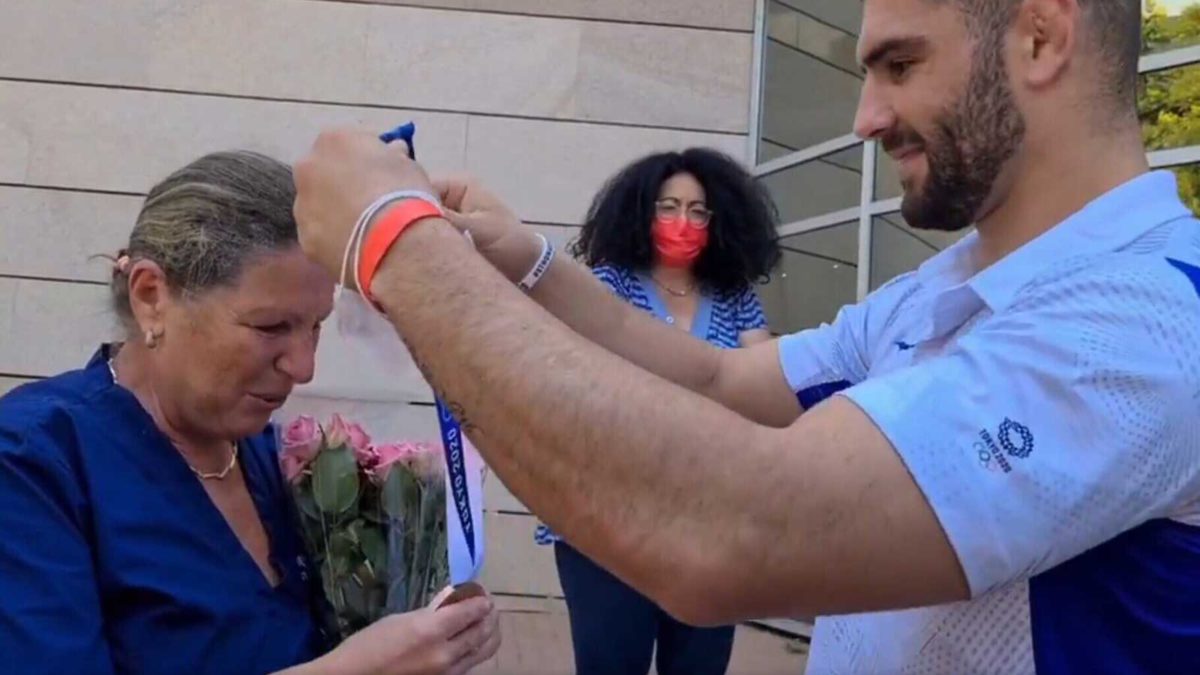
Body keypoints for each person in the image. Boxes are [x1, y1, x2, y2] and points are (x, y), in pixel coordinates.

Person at [290, 0, 1200, 671]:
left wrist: (395, 246)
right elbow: (726, 384)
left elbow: (729, 530)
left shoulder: (1145, 322)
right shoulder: (947, 285)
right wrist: (528, 264)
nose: (865, 118)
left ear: (1041, 37)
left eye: (900, 65)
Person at [0, 151, 500, 675]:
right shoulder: (36, 459)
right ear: (151, 296)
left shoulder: (273, 452)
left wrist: (430, 627)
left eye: (315, 326)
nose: (303, 366)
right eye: (270, 328)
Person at [537, 148, 779, 675]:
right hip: (607, 525)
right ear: (643, 213)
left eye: (698, 211)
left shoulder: (734, 297)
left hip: (710, 525)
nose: (683, 222)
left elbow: (761, 384)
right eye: (669, 207)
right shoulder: (610, 285)